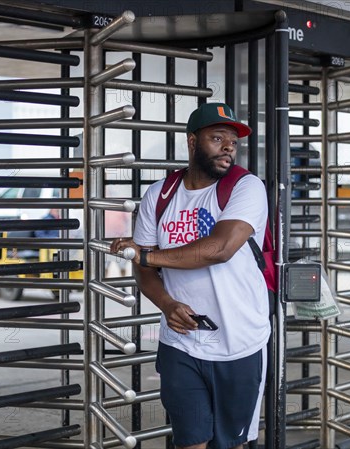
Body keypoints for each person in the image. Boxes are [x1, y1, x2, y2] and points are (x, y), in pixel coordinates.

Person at [111, 102, 270, 449]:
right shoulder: (160, 195)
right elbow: (145, 270)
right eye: (217, 138)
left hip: (239, 342)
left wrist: (145, 253)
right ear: (192, 142)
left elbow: (220, 248)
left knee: (231, 445)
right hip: (181, 343)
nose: (229, 147)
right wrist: (166, 304)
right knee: (190, 442)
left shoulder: (246, 187)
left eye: (233, 141)